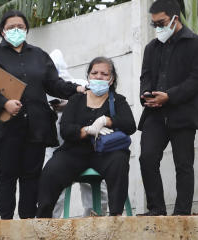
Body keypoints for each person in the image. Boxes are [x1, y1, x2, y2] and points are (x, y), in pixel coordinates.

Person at [0, 10, 82, 220]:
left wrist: (75, 89)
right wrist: (4, 103)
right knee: (6, 174)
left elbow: (53, 84)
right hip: (3, 127)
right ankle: (5, 222)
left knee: (32, 176)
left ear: (26, 30)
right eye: (11, 27)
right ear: (2, 31)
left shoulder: (39, 55)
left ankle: (28, 222)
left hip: (36, 126)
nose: (16, 30)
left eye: (20, 27)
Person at [36, 57, 136, 218]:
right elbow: (66, 130)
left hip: (106, 153)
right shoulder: (76, 100)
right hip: (75, 152)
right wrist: (87, 130)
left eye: (104, 74)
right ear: (88, 76)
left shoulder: (118, 100)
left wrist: (107, 120)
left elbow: (130, 125)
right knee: (51, 170)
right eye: (94, 73)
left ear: (111, 79)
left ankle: (116, 217)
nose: (98, 77)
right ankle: (42, 219)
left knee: (119, 162)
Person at [138, 0, 198, 216]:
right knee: (147, 158)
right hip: (154, 113)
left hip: (184, 113)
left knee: (184, 164)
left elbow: (196, 80)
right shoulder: (150, 48)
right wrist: (146, 96)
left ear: (175, 19)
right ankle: (156, 209)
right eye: (154, 24)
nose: (158, 28)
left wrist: (169, 96)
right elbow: (145, 77)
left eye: (161, 23)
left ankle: (182, 213)